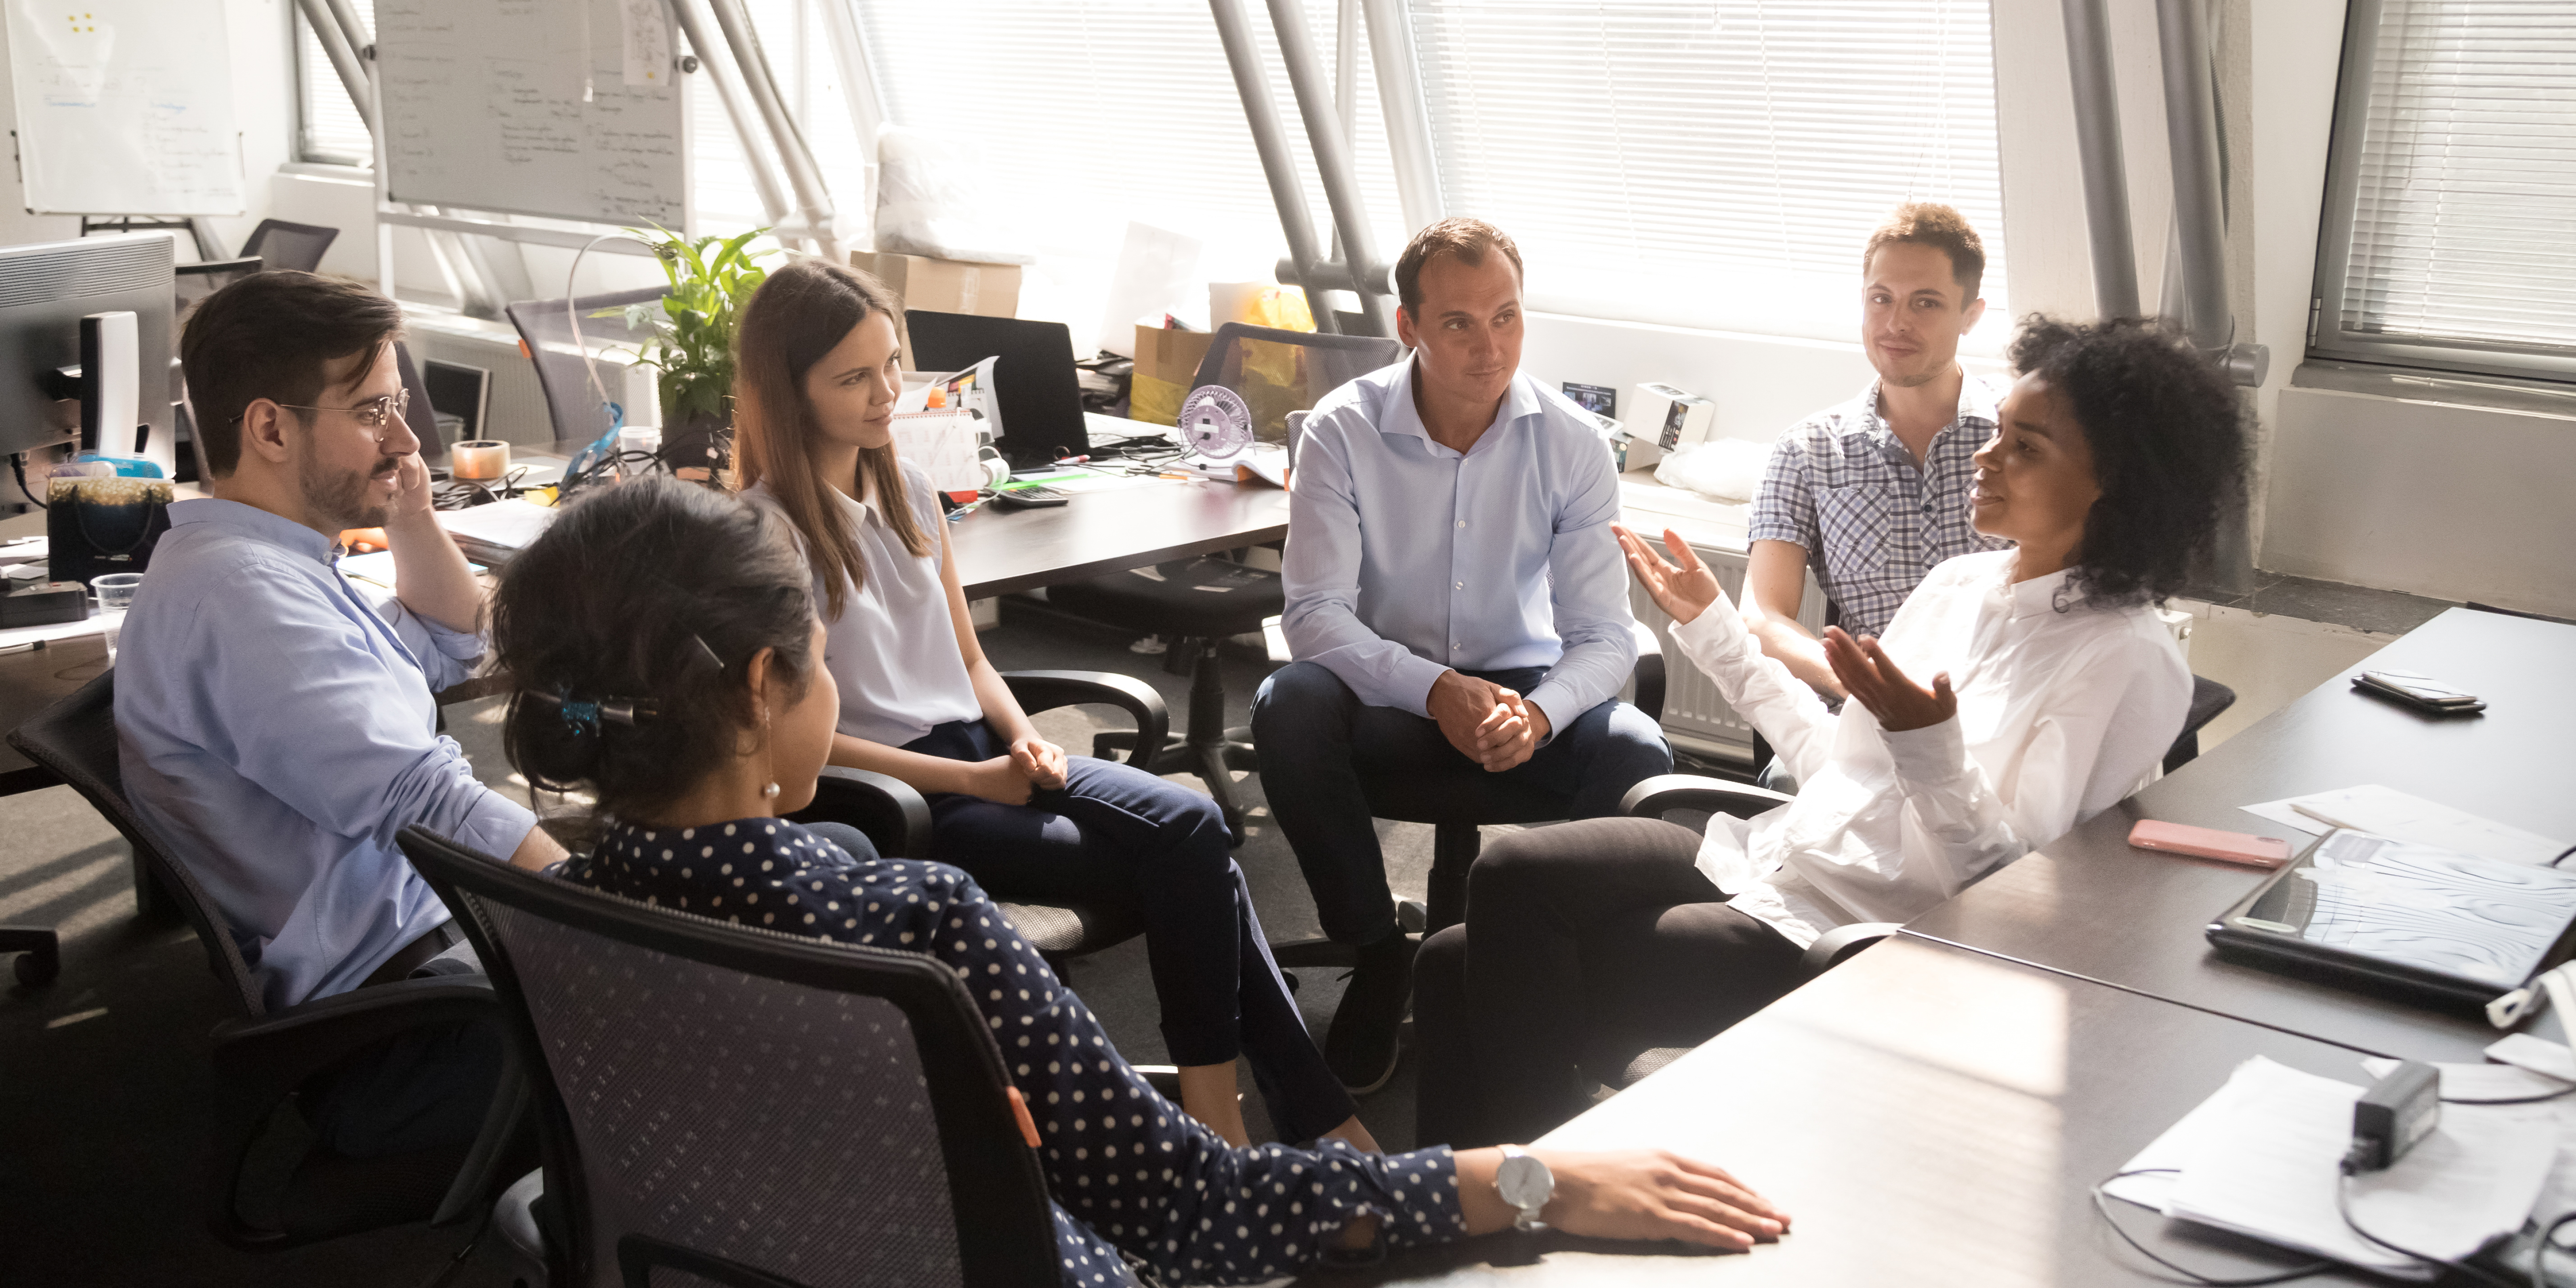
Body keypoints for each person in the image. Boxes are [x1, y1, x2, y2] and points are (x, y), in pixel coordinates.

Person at [490, 476, 1795, 1286]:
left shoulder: (547, 890)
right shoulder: (903, 923)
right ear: (767, 684)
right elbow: (1198, 1209)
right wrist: (1530, 1177)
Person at [1414, 316, 2245, 1149]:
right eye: (1997, 433)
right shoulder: (1962, 583)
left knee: (1459, 967)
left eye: (2026, 447)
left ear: (2114, 482)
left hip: (1857, 932)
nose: (1987, 455)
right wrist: (1715, 631)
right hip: (1776, 858)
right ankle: (1491, 1203)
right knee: (1509, 872)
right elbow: (1831, 763)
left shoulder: (2125, 658)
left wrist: (1934, 750)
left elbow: (2013, 897)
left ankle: (1532, 1206)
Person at [727, 258, 1354, 1151]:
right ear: (788, 392)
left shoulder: (907, 489)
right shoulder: (770, 534)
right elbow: (803, 747)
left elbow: (974, 658)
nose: (886, 393)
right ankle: (1274, 1122)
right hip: (904, 794)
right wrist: (974, 780)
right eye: (854, 377)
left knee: (1194, 827)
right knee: (1193, 856)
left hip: (987, 750)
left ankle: (1246, 1126)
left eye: (891, 364)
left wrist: (1025, 740)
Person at [116, 271, 565, 1156]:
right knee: (760, 1031)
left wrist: (405, 508)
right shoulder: (243, 598)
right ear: (271, 427)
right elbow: (425, 801)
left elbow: (448, 642)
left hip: (443, 949)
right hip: (407, 1023)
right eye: (370, 413)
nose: (404, 439)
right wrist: (600, 906)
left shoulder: (274, 559)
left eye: (399, 406)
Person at [1252, 217, 1672, 1094]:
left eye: (1508, 317)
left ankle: (1533, 962)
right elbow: (1316, 616)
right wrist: (1433, 687)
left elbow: (1603, 634)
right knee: (1288, 705)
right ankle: (1377, 951)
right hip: (1386, 691)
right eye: (1458, 323)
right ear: (1408, 326)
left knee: (1638, 753)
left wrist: (1545, 710)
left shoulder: (1573, 443)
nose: (1491, 348)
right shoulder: (1341, 428)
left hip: (1527, 687)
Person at [1744, 202, 2009, 710]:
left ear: (1970, 316)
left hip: (2003, 708)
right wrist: (1857, 681)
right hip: (1866, 715)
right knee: (1787, 784)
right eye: (1881, 299)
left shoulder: (2021, 433)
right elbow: (1761, 618)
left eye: (1926, 303)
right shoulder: (1810, 449)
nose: (1896, 323)